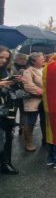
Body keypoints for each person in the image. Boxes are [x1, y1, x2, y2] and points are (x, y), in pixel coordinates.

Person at [0, 46, 19, 174]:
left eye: (6, 58)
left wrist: (14, 82)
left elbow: (14, 88)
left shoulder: (8, 70)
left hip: (10, 105)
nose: (3, 60)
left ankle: (6, 163)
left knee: (9, 134)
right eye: (1, 57)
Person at [22, 52, 46, 151]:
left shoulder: (45, 69)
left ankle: (46, 139)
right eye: (41, 59)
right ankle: (29, 142)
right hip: (33, 101)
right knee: (30, 122)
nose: (44, 60)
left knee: (45, 121)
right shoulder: (28, 71)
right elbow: (28, 86)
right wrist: (44, 92)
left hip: (45, 100)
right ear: (33, 61)